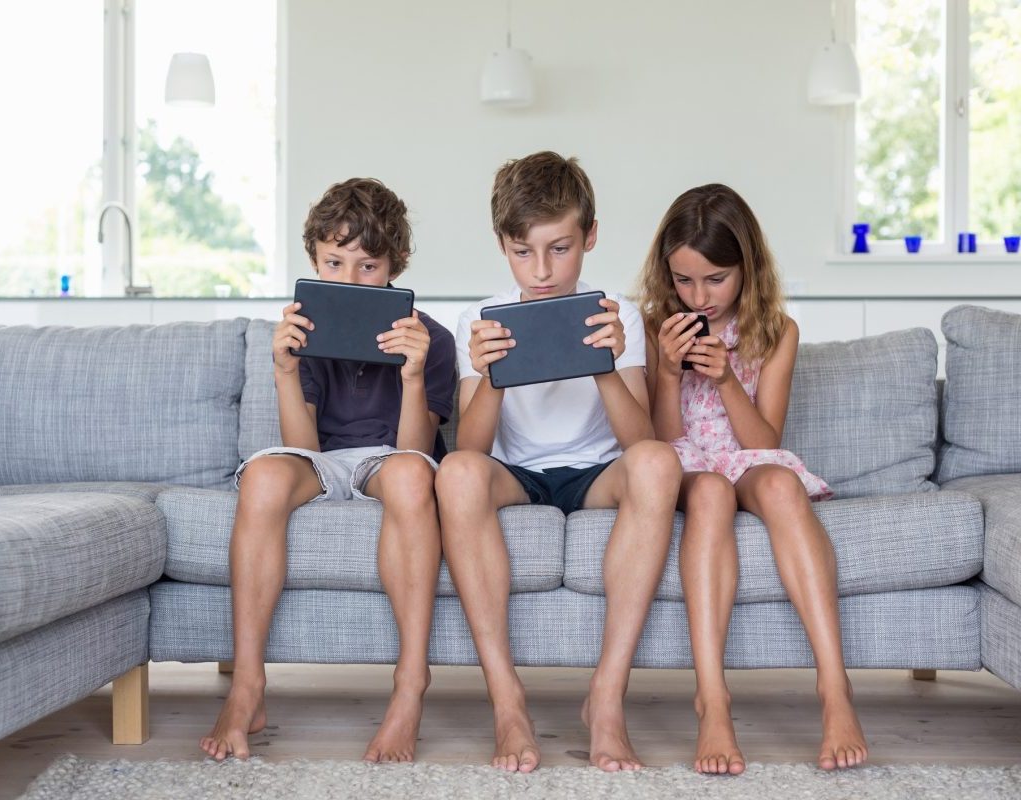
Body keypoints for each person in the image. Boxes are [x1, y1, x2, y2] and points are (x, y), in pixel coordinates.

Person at [436, 151, 682, 773]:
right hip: (516, 474)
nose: (541, 271)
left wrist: (602, 365)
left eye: (560, 248)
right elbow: (471, 451)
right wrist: (490, 375)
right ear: (502, 245)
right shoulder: (480, 318)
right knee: (456, 472)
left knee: (657, 464)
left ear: (590, 237)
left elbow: (640, 441)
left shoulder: (618, 313)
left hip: (596, 471)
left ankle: (606, 698)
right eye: (523, 252)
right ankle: (507, 701)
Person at [200, 178, 457, 763]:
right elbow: (302, 446)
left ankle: (409, 687)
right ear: (314, 259)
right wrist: (286, 371)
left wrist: (413, 374)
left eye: (367, 267)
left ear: (396, 266)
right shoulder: (308, 333)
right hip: (326, 459)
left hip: (391, 458)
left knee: (414, 477)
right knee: (264, 476)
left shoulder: (433, 341)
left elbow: (413, 451)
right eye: (333, 263)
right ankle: (247, 686)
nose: (347, 281)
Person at [636, 183, 868, 774]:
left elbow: (765, 443)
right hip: (689, 463)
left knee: (782, 485)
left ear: (747, 268)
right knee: (710, 492)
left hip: (745, 456)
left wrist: (725, 380)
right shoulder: (654, 324)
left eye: (715, 279)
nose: (699, 296)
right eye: (684, 280)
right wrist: (667, 371)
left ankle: (835, 689)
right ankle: (712, 700)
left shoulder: (776, 331)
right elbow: (660, 441)